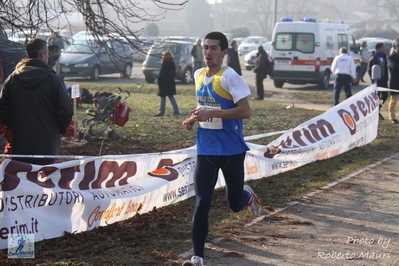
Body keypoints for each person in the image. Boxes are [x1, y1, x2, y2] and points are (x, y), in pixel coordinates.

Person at [182, 31, 261, 266]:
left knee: (235, 204)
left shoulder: (230, 77)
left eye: (214, 48)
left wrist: (212, 113)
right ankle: (198, 257)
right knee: (202, 201)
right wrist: (194, 118)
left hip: (231, 150)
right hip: (206, 149)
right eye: (205, 47)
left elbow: (245, 111)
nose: (208, 52)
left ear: (224, 52)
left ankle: (248, 196)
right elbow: (204, 105)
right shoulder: (198, 74)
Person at [0, 38, 73, 165]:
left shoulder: (12, 79)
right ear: (42, 55)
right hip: (48, 144)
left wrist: (14, 127)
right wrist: (58, 131)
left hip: (20, 143)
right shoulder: (53, 79)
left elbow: (2, 110)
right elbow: (65, 111)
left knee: (23, 180)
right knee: (46, 180)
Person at [154, 50, 180, 116]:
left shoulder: (165, 63)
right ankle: (176, 110)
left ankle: (161, 111)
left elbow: (162, 74)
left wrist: (159, 80)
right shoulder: (172, 63)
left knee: (163, 98)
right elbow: (174, 73)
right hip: (170, 82)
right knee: (171, 97)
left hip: (164, 83)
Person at [367, 42, 388, 120]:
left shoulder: (384, 56)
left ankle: (378, 108)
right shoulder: (374, 57)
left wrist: (386, 77)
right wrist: (373, 79)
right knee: (377, 96)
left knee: (385, 95)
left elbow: (385, 67)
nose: (384, 49)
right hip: (377, 80)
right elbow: (369, 69)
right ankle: (376, 112)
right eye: (382, 47)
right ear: (378, 49)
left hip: (384, 80)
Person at [387, 39, 399, 124]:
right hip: (395, 81)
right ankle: (392, 117)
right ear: (396, 47)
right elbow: (395, 67)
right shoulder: (391, 57)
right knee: (393, 100)